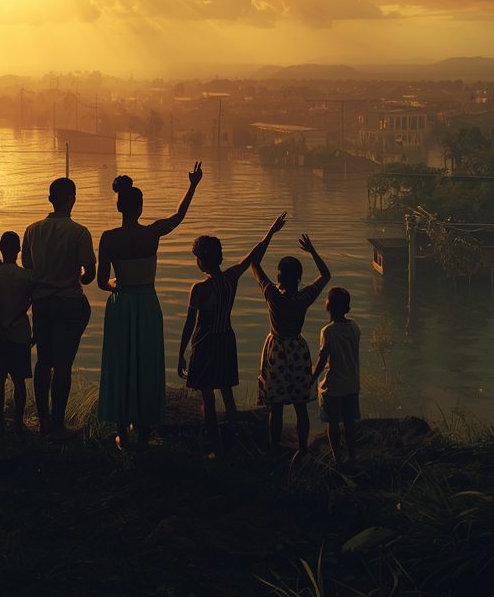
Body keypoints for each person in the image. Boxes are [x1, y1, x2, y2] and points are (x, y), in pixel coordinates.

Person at [95, 163, 202, 449]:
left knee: (121, 363)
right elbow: (179, 216)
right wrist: (192, 185)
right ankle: (143, 432)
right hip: (147, 304)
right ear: (140, 207)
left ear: (119, 207)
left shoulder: (108, 238)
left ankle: (123, 433)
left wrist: (118, 285)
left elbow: (102, 282)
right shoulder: (152, 233)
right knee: (145, 364)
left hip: (121, 306)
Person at [177, 214, 286, 456]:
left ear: (201, 261)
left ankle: (216, 448)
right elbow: (253, 255)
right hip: (226, 339)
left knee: (208, 398)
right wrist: (270, 232)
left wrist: (181, 353)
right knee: (227, 394)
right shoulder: (230, 279)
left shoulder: (199, 289)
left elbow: (189, 324)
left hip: (205, 344)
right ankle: (234, 443)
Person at [22, 178, 96, 436]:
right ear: (71, 199)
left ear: (50, 199)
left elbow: (28, 269)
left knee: (43, 361)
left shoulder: (32, 231)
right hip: (68, 302)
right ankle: (58, 423)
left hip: (41, 303)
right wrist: (77, 274)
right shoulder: (79, 232)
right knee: (63, 364)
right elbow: (90, 275)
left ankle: (43, 422)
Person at [249, 233, 332, 454]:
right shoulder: (303, 298)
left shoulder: (272, 295)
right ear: (299, 278)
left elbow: (254, 263)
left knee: (275, 408)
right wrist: (313, 251)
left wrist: (269, 234)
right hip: (297, 349)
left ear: (279, 275)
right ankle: (303, 449)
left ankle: (275, 448)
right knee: (300, 406)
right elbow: (326, 275)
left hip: (276, 350)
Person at [0, 231, 33, 437]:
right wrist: (36, 331)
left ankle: (1, 423)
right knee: (20, 381)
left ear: (1, 250)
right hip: (20, 334)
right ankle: (19, 423)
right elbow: (33, 302)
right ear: (19, 250)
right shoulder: (27, 276)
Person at [310, 286, 361, 466]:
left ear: (328, 305)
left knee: (333, 423)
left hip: (332, 385)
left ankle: (338, 458)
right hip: (351, 383)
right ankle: (353, 456)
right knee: (349, 422)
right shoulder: (355, 327)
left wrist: (312, 377)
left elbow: (323, 360)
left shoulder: (328, 331)